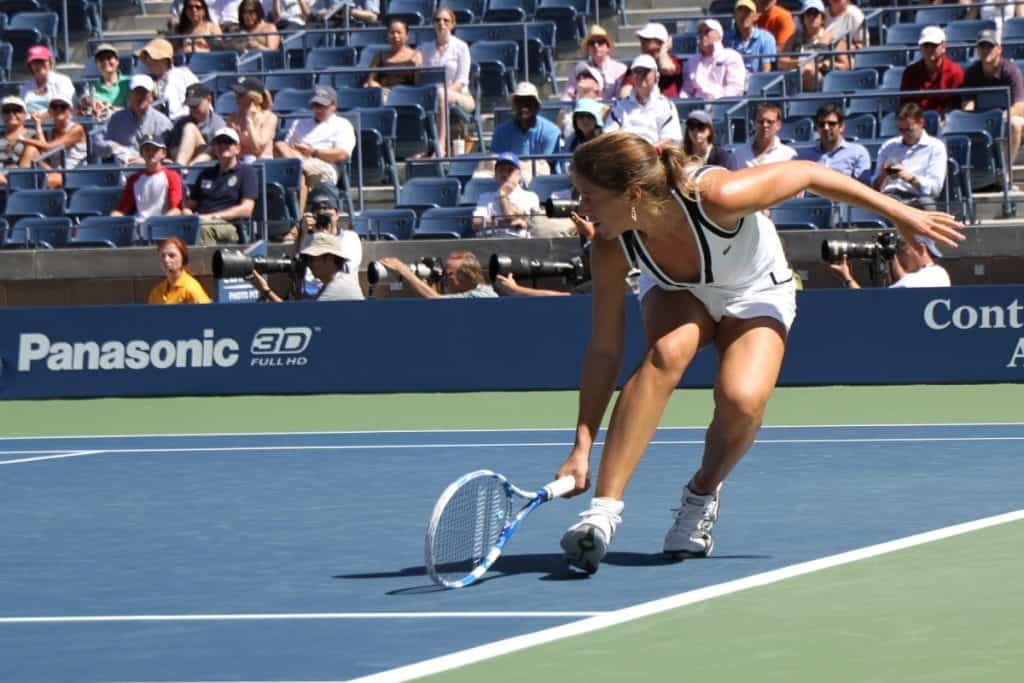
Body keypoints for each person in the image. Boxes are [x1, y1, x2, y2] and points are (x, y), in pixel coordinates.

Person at [553, 131, 963, 573]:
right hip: (677, 291)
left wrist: (900, 213)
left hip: (754, 287)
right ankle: (602, 513)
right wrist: (582, 445)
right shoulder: (610, 245)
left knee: (742, 401)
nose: (582, 210)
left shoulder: (719, 195)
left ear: (633, 194)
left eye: (591, 197)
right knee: (667, 353)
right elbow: (604, 349)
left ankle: (701, 494)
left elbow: (808, 172)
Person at [274, 85, 355, 210]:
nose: (318, 109)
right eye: (316, 105)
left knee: (294, 169)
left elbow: (343, 154)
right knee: (282, 150)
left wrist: (314, 152)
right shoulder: (299, 123)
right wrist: (299, 152)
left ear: (334, 105)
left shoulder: (342, 124)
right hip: (297, 161)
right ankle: (297, 222)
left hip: (324, 165)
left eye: (323, 106)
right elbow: (286, 148)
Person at [963, 29, 1024, 177]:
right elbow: (968, 102)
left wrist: (999, 118)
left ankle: (1005, 175)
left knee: (1014, 124)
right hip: (981, 121)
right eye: (982, 47)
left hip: (1004, 120)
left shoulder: (1011, 71)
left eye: (990, 46)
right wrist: (970, 116)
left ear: (999, 48)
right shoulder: (972, 72)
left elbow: (1019, 105)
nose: (985, 51)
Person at [183, 127, 258, 245]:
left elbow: (247, 209)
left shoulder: (246, 172)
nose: (223, 145)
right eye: (219, 142)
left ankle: (205, 263)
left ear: (237, 149)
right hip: (201, 220)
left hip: (230, 225)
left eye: (228, 142)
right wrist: (187, 213)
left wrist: (212, 217)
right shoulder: (206, 173)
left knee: (203, 228)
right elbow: (191, 203)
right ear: (214, 148)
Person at [418, 6, 475, 156]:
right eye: (438, 20)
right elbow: (421, 75)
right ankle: (420, 148)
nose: (441, 23)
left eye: (445, 20)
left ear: (452, 24)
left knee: (442, 95)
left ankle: (440, 145)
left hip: (461, 95)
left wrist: (441, 93)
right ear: (433, 24)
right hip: (431, 96)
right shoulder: (424, 48)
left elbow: (462, 80)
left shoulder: (461, 47)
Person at [250, 231, 364, 302]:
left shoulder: (338, 286)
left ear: (330, 258)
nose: (309, 263)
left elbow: (300, 320)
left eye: (313, 258)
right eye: (307, 258)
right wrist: (298, 285)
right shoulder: (338, 281)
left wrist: (265, 290)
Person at [873, 103, 947, 211]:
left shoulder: (935, 147)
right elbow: (875, 187)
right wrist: (884, 174)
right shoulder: (888, 146)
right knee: (883, 203)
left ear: (921, 123)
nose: (904, 134)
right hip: (891, 197)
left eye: (909, 129)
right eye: (901, 130)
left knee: (926, 204)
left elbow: (935, 189)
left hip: (919, 198)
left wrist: (909, 177)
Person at [93, 74, 174, 166]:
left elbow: (169, 159)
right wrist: (112, 146)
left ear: (151, 96)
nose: (140, 97)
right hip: (122, 172)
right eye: (136, 92)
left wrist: (146, 161)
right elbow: (97, 143)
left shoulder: (163, 123)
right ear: (130, 95)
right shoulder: (117, 119)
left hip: (152, 174)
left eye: (144, 93)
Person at [605, 55, 683, 147]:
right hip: (626, 155)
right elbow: (610, 135)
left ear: (656, 76)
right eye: (637, 72)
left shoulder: (666, 105)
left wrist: (647, 151)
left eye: (646, 72)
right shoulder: (620, 106)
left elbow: (671, 138)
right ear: (632, 77)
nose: (641, 76)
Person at [489, 81, 563, 179]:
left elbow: (545, 166)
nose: (523, 107)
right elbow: (495, 160)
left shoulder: (551, 131)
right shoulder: (500, 131)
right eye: (519, 102)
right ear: (514, 106)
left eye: (528, 102)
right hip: (505, 177)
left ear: (537, 106)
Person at [778, 0, 850, 93]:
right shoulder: (795, 38)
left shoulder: (831, 38)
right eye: (808, 14)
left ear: (822, 18)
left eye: (815, 13)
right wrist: (802, 62)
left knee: (809, 70)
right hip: (796, 78)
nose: (811, 17)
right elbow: (781, 62)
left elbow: (846, 65)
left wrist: (828, 64)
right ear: (802, 18)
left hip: (823, 81)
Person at [828, 235, 951, 288]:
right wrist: (890, 257)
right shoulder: (931, 274)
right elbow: (903, 279)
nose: (899, 253)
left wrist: (847, 279)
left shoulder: (935, 274)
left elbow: (876, 307)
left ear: (920, 248)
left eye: (902, 247)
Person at [112, 135, 185, 222]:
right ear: (141, 154)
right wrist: (115, 216)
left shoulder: (172, 176)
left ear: (163, 154)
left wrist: (161, 222)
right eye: (147, 150)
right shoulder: (133, 179)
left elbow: (176, 209)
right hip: (138, 225)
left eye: (155, 150)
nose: (151, 153)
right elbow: (123, 209)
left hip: (161, 226)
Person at [21, 95, 88, 189]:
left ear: (70, 110)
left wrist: (22, 139)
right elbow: (45, 151)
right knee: (31, 150)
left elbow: (49, 147)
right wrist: (38, 125)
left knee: (43, 180)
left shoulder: (77, 129)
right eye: (54, 107)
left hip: (74, 172)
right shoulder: (50, 132)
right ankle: (20, 182)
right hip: (54, 171)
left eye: (63, 106)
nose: (58, 109)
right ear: (50, 111)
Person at [472, 152, 541, 238]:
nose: (505, 174)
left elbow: (521, 219)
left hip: (520, 243)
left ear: (519, 174)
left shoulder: (530, 197)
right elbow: (476, 222)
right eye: (501, 170)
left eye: (510, 170)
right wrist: (503, 223)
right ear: (496, 174)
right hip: (490, 242)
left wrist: (502, 196)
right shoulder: (485, 197)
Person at [796, 104, 870, 183]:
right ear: (817, 128)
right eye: (821, 124)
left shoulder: (857, 153)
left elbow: (862, 187)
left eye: (831, 124)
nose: (826, 128)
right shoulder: (805, 157)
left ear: (841, 127)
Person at [378, 251, 498, 298]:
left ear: (468, 276)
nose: (444, 278)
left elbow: (437, 302)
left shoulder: (483, 295)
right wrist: (430, 282)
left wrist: (403, 270)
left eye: (448, 274)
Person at [900, 26, 964, 114]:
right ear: (920, 48)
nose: (930, 49)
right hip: (916, 122)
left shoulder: (955, 72)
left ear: (944, 46)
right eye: (926, 45)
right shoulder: (910, 72)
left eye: (934, 45)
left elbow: (957, 107)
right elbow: (905, 105)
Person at [682, 19, 748, 101]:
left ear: (719, 36)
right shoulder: (692, 61)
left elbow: (735, 88)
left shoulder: (731, 56)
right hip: (697, 107)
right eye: (700, 32)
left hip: (723, 106)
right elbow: (687, 90)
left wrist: (715, 101)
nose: (702, 35)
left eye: (707, 31)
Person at [136, 38, 199, 120]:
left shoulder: (177, 75)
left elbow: (172, 111)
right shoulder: (150, 80)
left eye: (153, 58)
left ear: (166, 60)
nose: (148, 61)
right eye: (146, 57)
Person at [618, 23, 684, 99]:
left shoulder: (674, 61)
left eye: (647, 39)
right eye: (641, 39)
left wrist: (663, 50)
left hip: (669, 108)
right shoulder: (636, 65)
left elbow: (666, 68)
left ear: (660, 42)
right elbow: (624, 93)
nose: (642, 42)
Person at [168, 82, 226, 165]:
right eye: (190, 105)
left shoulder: (218, 124)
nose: (193, 109)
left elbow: (218, 153)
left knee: (190, 128)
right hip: (185, 162)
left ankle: (183, 169)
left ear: (209, 100)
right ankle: (182, 169)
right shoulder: (181, 122)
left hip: (207, 169)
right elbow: (173, 150)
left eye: (196, 105)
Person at [563, 25, 627, 101]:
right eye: (592, 43)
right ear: (588, 49)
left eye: (600, 42)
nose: (596, 46)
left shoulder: (620, 69)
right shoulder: (579, 69)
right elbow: (567, 95)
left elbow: (621, 99)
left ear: (608, 47)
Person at [365, 18, 423, 99]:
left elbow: (419, 82)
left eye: (399, 32)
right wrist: (381, 89)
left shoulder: (416, 55)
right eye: (392, 33)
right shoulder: (379, 56)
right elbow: (370, 80)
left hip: (408, 95)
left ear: (407, 35)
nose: (395, 36)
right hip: (385, 95)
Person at [148, 237, 213, 304]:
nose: (166, 260)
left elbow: (206, 313)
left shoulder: (191, 288)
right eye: (163, 256)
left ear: (183, 259)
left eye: (172, 255)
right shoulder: (156, 292)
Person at [226, 77, 278, 162]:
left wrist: (249, 120)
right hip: (239, 166)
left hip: (263, 166)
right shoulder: (233, 118)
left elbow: (257, 148)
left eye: (241, 95)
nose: (236, 98)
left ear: (253, 98)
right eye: (236, 94)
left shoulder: (270, 118)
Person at [732, 102, 796, 167]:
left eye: (769, 122)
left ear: (778, 125)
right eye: (760, 121)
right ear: (754, 124)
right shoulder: (739, 153)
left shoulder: (788, 155)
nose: (765, 125)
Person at [19, 45, 75, 116]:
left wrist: (40, 118)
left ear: (50, 62)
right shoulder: (26, 87)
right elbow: (21, 110)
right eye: (35, 62)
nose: (38, 65)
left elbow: (64, 108)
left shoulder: (63, 81)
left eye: (42, 61)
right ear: (30, 65)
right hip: (30, 124)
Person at [724, 0, 778, 73]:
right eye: (740, 11)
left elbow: (766, 69)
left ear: (756, 16)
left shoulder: (766, 38)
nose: (743, 15)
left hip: (758, 82)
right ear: (734, 15)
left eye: (748, 12)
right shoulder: (726, 37)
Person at [84, 43, 130, 120]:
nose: (105, 62)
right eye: (101, 59)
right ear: (97, 64)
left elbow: (132, 110)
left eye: (109, 58)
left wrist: (110, 109)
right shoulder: (92, 87)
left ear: (117, 61)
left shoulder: (128, 82)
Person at [0, 97, 39, 186]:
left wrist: (38, 125)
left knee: (31, 149)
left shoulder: (33, 135)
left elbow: (43, 154)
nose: (11, 114)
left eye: (16, 110)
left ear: (25, 114)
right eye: (7, 111)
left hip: (20, 175)